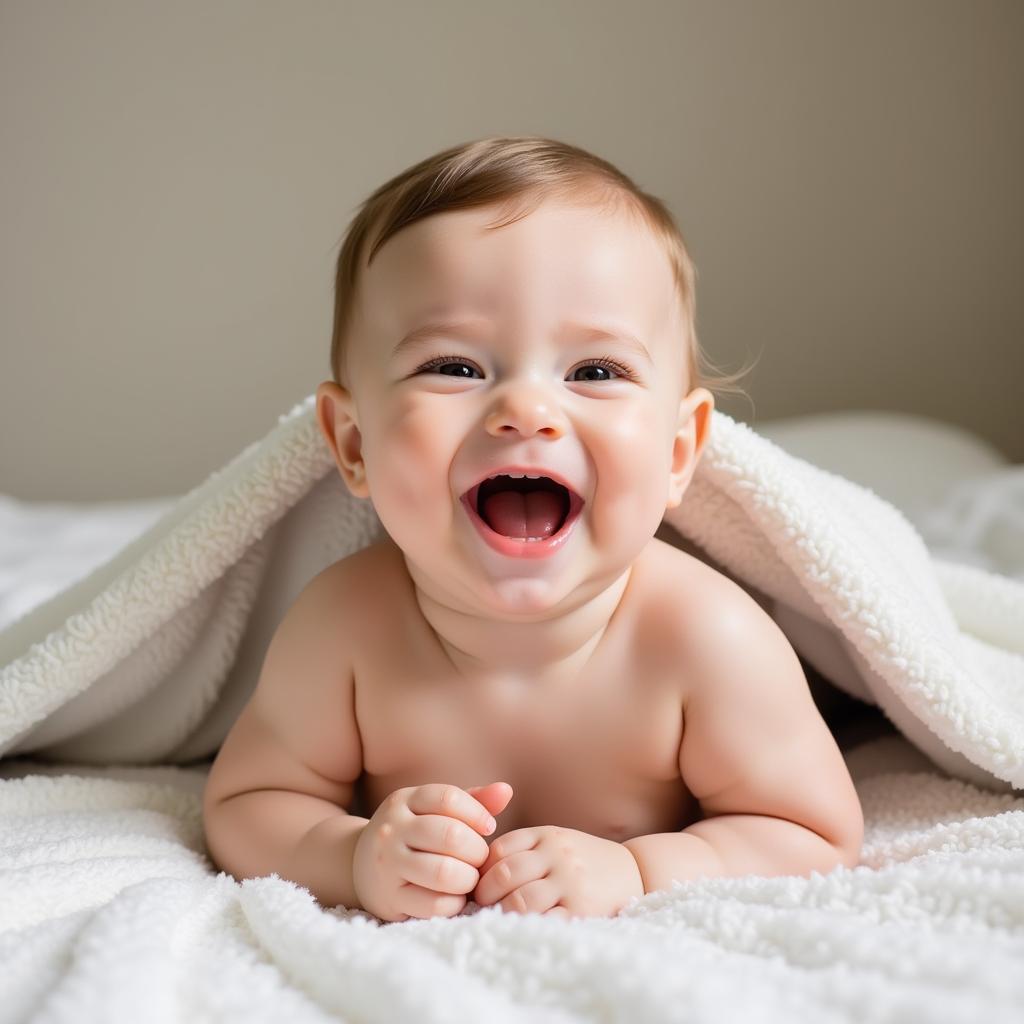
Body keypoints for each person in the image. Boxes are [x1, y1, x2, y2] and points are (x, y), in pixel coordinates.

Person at [202, 136, 864, 922]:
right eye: (453, 366)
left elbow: (811, 831)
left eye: (594, 372)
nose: (525, 410)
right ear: (353, 444)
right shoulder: (343, 627)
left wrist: (641, 871)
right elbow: (249, 803)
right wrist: (349, 856)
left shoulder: (704, 638)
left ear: (678, 450)